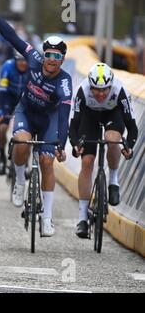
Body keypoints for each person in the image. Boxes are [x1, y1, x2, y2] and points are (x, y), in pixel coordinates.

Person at [0, 0, 72, 237]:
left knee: (46, 162)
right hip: (26, 111)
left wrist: (61, 144)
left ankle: (48, 217)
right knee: (20, 143)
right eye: (49, 54)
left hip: (50, 119)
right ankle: (20, 182)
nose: (52, 60)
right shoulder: (33, 58)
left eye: (57, 57)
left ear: (62, 60)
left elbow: (64, 114)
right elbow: (11, 35)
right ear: (45, 54)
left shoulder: (64, 82)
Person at [69, 63, 137, 239]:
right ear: (90, 85)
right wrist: (75, 144)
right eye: (96, 90)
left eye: (104, 90)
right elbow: (74, 125)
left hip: (112, 114)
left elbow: (132, 127)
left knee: (113, 139)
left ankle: (113, 181)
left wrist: (129, 145)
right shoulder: (82, 91)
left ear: (111, 85)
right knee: (87, 162)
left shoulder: (120, 91)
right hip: (89, 117)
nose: (100, 94)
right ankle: (82, 218)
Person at [0, 50, 28, 175]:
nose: (23, 63)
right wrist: (1, 109)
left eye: (25, 61)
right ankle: (2, 157)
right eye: (20, 61)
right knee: (2, 128)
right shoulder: (7, 67)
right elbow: (2, 90)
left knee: (27, 132)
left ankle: (26, 162)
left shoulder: (33, 68)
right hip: (8, 98)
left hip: (24, 100)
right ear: (15, 60)